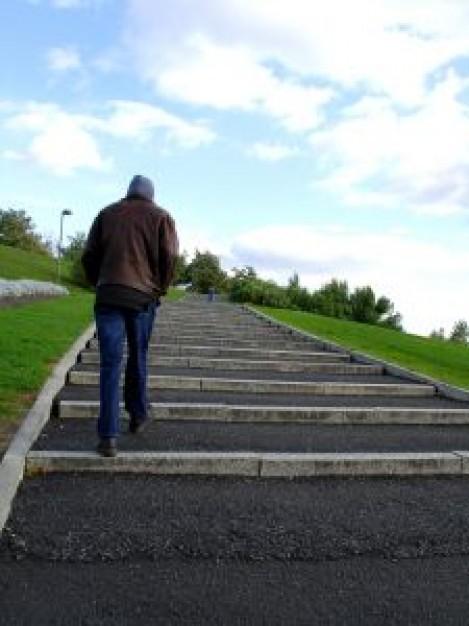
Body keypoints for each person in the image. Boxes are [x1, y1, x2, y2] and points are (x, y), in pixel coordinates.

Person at [82, 175, 178, 457]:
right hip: (142, 297)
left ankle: (108, 437)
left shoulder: (107, 213)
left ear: (128, 192)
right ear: (151, 194)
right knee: (138, 356)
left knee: (110, 364)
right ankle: (137, 415)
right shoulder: (161, 217)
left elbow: (89, 254)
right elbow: (169, 256)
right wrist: (160, 287)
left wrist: (98, 280)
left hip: (109, 294)